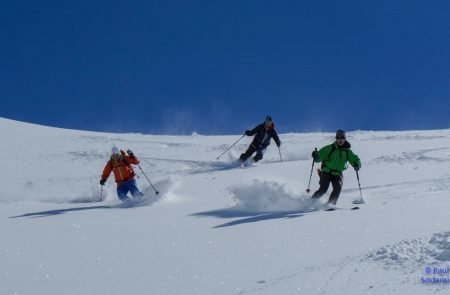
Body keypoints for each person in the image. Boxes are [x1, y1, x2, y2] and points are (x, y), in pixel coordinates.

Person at [311, 129, 361, 205]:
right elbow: (319, 157)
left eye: (342, 137)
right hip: (327, 171)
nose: (340, 139)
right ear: (336, 138)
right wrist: (316, 156)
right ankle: (311, 202)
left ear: (345, 138)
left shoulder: (347, 151)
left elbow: (355, 159)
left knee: (337, 188)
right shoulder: (330, 148)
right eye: (338, 137)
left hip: (338, 173)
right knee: (323, 189)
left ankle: (330, 205)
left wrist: (356, 164)